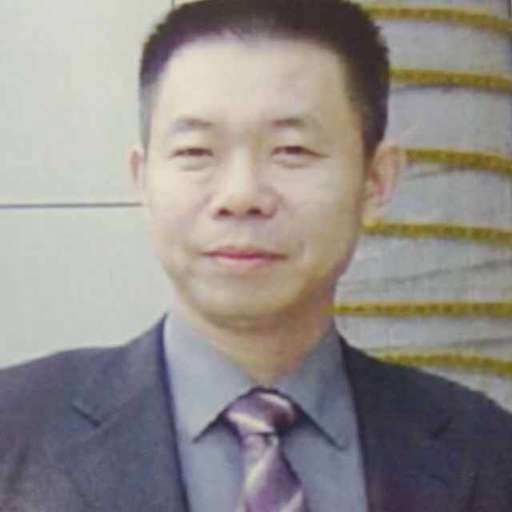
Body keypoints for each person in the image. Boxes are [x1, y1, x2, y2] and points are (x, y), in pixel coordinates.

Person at [1, 0, 511, 510]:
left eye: (292, 151)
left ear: (375, 181)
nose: (241, 195)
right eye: (196, 152)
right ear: (143, 181)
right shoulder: (16, 432)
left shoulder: (485, 451)